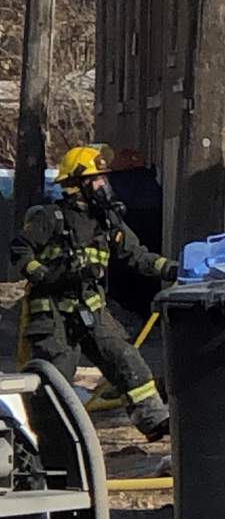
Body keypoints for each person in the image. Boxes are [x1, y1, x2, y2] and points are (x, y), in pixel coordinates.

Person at [11, 145, 178, 442]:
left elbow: (136, 255)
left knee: (124, 356)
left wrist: (174, 270)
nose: (104, 185)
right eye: (97, 179)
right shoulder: (51, 218)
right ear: (77, 184)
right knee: (54, 376)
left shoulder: (108, 221)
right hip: (51, 312)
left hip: (90, 306)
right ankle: (49, 443)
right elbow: (20, 249)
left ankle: (154, 420)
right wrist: (43, 274)